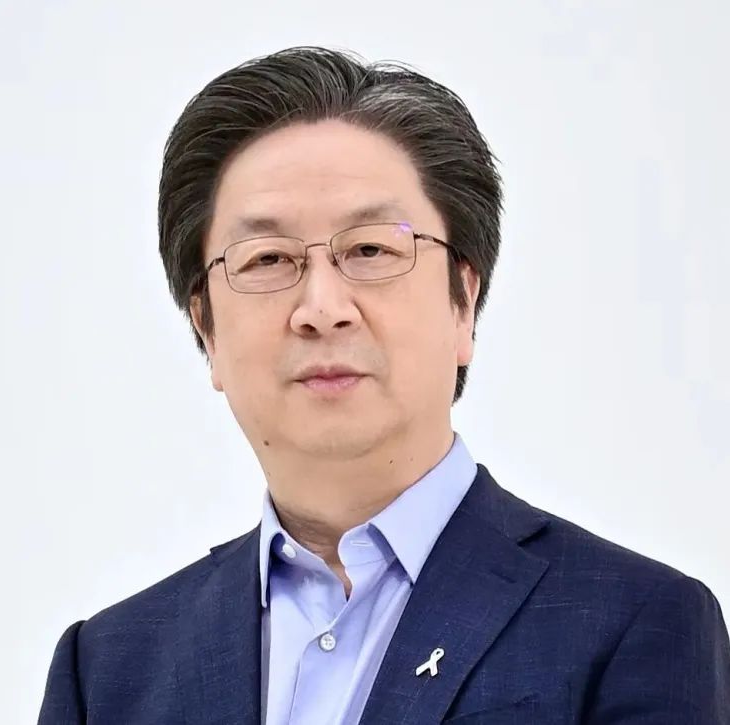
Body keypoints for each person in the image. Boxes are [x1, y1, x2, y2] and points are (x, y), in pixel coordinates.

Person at [38, 45, 730, 724]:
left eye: (370, 249)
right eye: (267, 258)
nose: (321, 308)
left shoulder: (632, 623)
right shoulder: (107, 670)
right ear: (207, 328)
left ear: (462, 302)